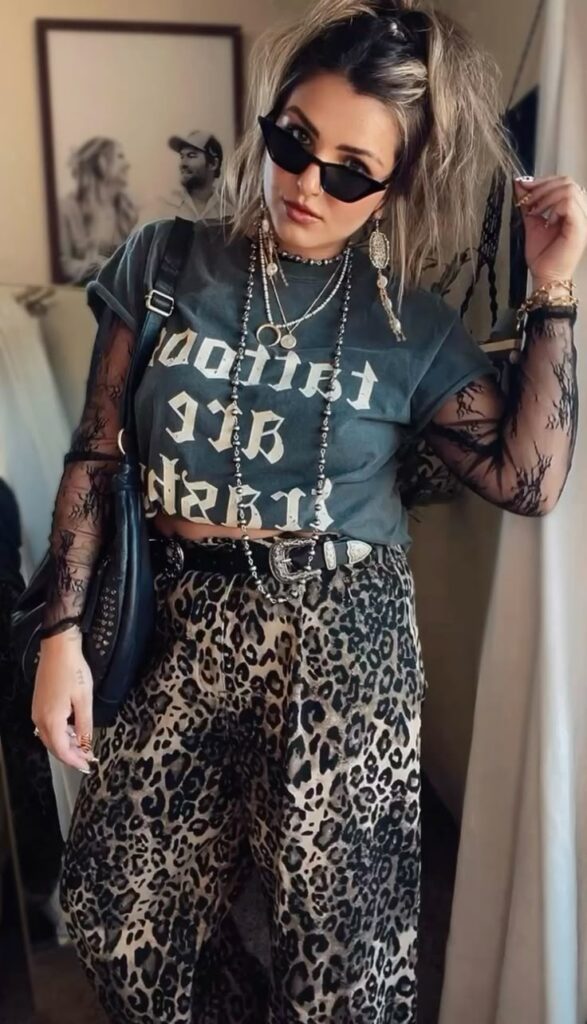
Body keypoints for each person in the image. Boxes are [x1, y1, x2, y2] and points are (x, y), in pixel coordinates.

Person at [31, 1, 585, 1021]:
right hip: (182, 622)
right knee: (121, 914)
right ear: (269, 121)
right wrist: (60, 631)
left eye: (349, 171)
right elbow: (96, 451)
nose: (306, 183)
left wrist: (551, 288)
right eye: (293, 142)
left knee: (341, 962)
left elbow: (528, 477)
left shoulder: (409, 329)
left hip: (343, 640)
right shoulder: (164, 261)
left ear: (392, 186)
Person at [58, 137, 138, 284]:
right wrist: (94, 267)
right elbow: (62, 264)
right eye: (120, 156)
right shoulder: (68, 208)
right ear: (102, 163)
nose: (128, 164)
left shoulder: (127, 208)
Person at [141, 129, 224, 223]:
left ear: (213, 164)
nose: (182, 164)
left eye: (191, 156)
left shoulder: (228, 212)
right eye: (182, 157)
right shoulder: (162, 207)